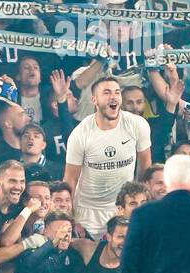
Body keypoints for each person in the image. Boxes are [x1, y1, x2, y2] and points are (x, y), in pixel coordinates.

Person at [63, 76, 152, 239]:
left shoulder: (138, 125)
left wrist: (140, 204)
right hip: (88, 211)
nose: (113, 97)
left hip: (123, 208)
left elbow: (145, 166)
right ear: (94, 100)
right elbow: (70, 179)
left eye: (117, 92)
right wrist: (71, 218)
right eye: (107, 92)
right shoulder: (80, 134)